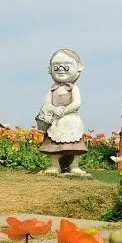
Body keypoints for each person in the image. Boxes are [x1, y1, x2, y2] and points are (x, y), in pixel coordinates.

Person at [35, 48, 89, 176]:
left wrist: (64, 110)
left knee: (74, 144)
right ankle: (55, 165)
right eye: (56, 66)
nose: (60, 69)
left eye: (66, 66)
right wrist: (54, 109)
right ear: (50, 69)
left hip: (71, 120)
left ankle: (74, 165)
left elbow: (77, 103)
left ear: (79, 68)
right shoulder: (52, 89)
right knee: (53, 144)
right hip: (55, 122)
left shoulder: (73, 88)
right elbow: (47, 103)